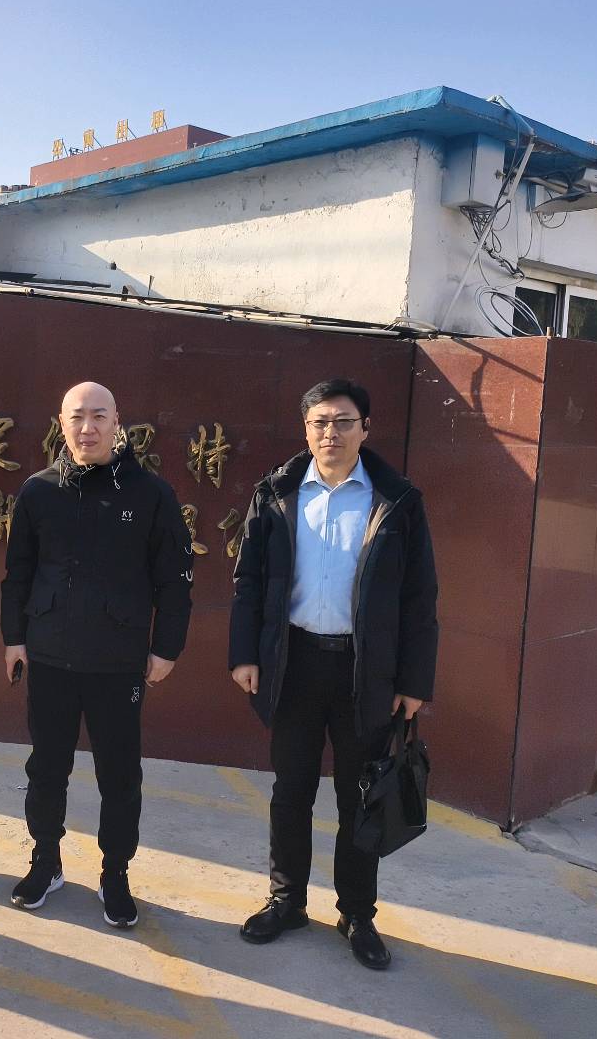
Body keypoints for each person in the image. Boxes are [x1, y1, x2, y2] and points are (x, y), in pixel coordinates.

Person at [228, 378, 438, 970]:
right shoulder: (277, 493)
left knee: (359, 797)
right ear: (306, 430)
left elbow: (420, 598)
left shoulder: (396, 501)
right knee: (290, 790)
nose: (331, 433)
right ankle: (286, 900)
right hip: (292, 662)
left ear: (365, 429)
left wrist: (414, 682)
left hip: (364, 671)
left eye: (344, 422)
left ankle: (357, 913)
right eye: (320, 422)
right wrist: (245, 655)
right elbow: (248, 582)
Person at [1, 381, 194, 928]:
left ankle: (115, 872)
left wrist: (166, 648)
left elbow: (175, 579)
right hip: (50, 657)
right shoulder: (38, 491)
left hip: (118, 661)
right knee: (46, 768)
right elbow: (18, 573)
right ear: (61, 423)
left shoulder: (150, 494)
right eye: (77, 417)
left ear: (117, 422)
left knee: (120, 775)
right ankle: (46, 860)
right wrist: (14, 638)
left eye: (99, 416)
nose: (87, 428)